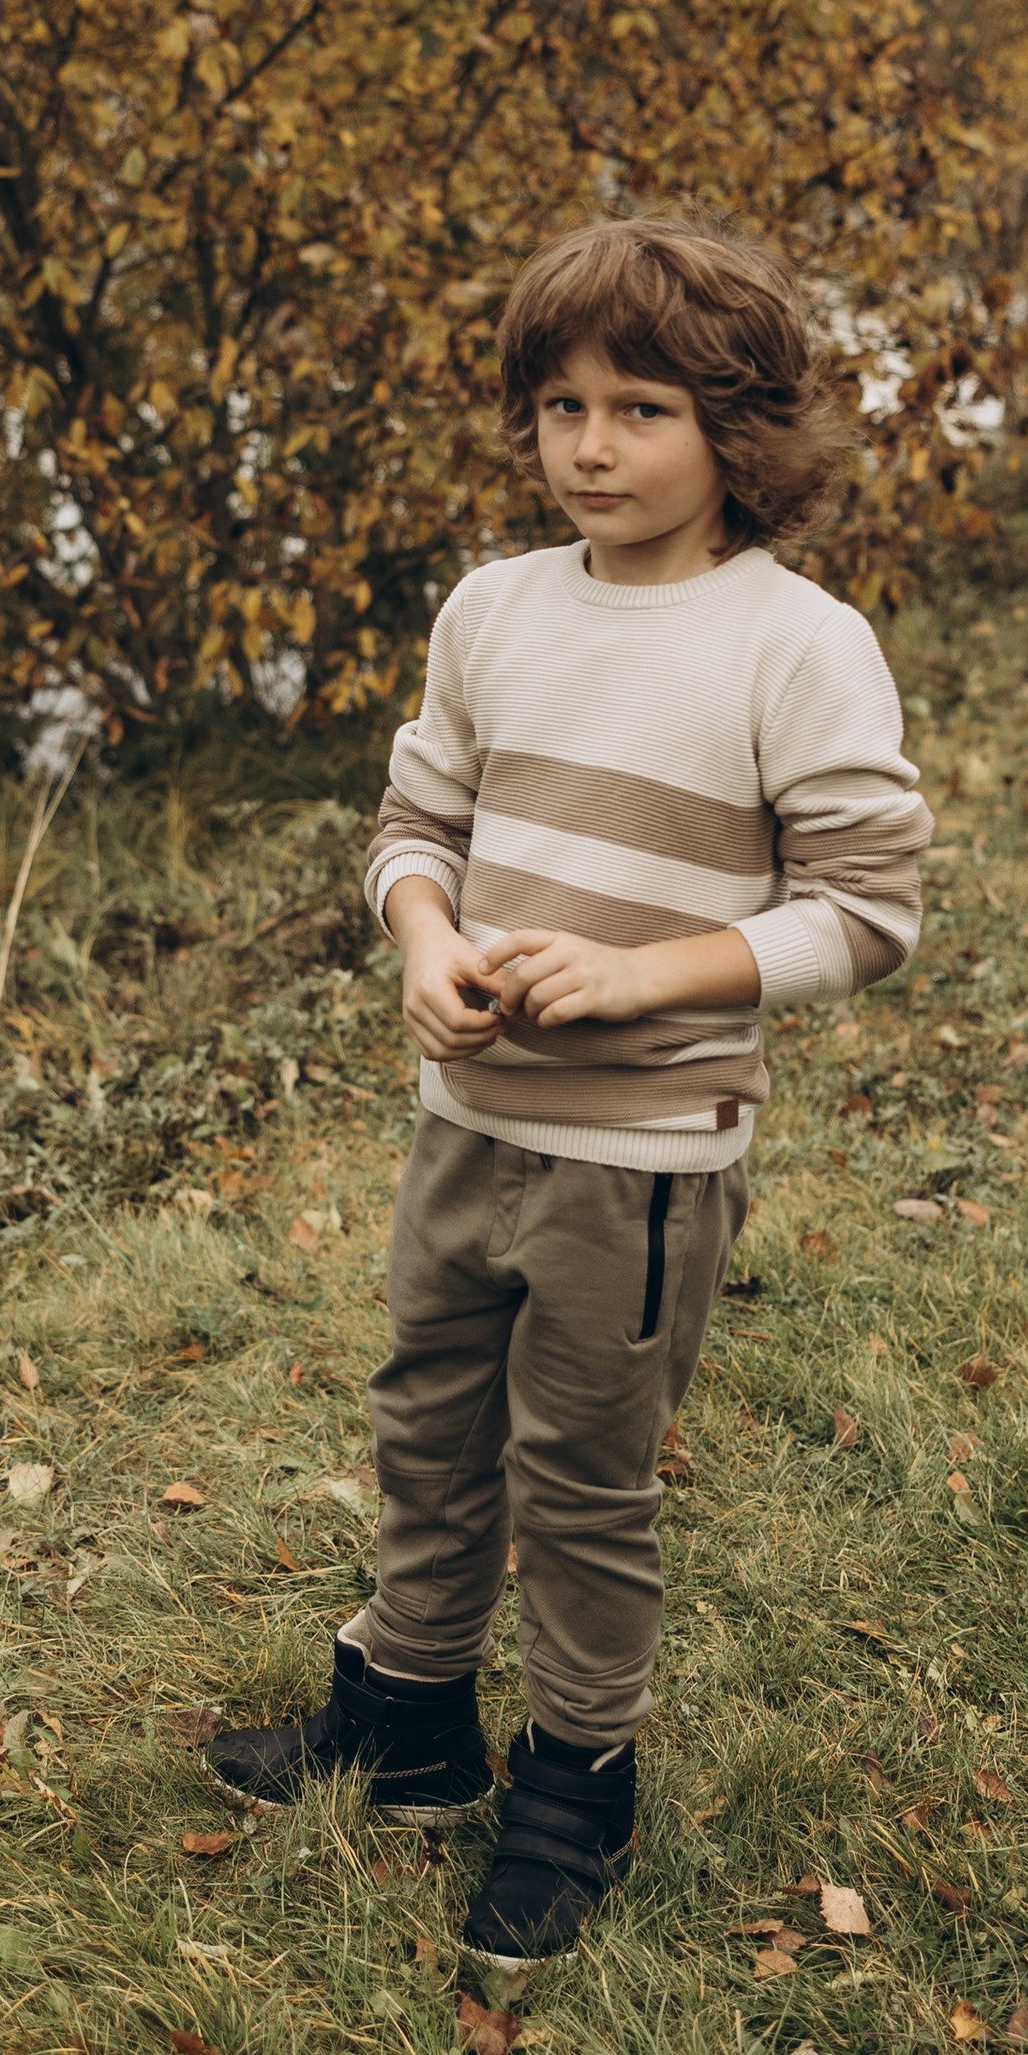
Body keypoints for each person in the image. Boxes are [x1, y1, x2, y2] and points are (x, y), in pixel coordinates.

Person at [206, 214, 931, 1966]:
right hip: (468, 1129)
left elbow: (865, 913)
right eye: (559, 407)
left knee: (584, 1478)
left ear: (737, 434)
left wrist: (637, 973)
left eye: (641, 410)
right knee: (429, 1423)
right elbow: (412, 825)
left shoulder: (795, 644)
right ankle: (410, 1712)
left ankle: (574, 1779)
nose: (591, 447)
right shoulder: (494, 609)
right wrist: (421, 937)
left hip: (648, 1157)